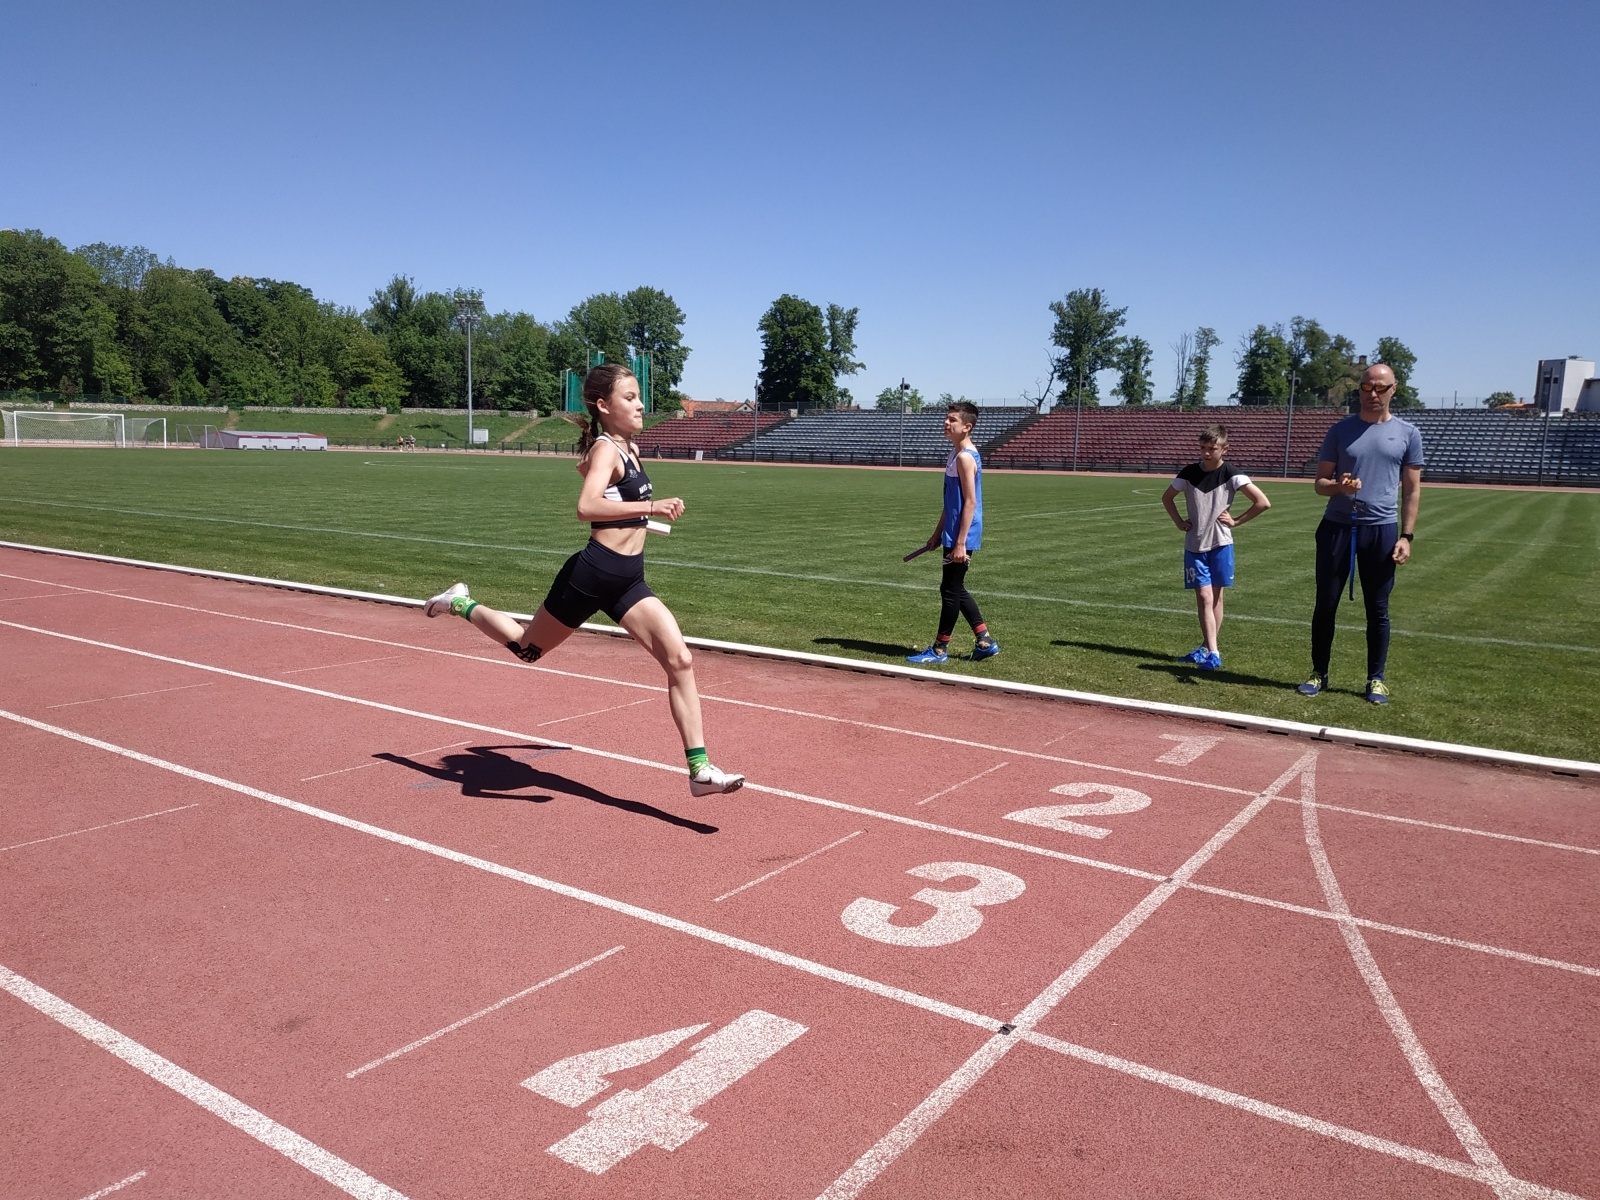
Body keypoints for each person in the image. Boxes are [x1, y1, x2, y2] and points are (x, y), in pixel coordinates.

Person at [421, 363, 744, 797]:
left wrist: (640, 519)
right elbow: (586, 506)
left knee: (680, 661)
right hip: (592, 574)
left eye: (638, 396)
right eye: (630, 397)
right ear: (603, 405)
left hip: (628, 580)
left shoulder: (624, 448)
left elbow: (609, 495)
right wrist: (651, 508)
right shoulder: (609, 449)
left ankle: (700, 771)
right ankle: (459, 603)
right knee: (527, 648)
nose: (640, 404)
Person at [1298, 363, 1424, 705]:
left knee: (1378, 609)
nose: (1373, 394)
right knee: (1325, 604)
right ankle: (1318, 672)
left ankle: (1376, 679)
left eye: (1380, 388)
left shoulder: (1408, 434)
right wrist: (1339, 485)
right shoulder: (1340, 431)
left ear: (1393, 389)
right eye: (1367, 388)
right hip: (1337, 528)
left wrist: (1406, 536)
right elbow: (1320, 484)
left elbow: (1411, 491)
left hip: (1381, 531)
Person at [1160, 423, 1271, 671]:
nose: (1206, 453)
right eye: (1203, 448)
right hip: (1195, 544)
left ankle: (1207, 648)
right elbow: (1167, 498)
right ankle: (1213, 651)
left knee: (1216, 598)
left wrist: (1236, 521)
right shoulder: (1188, 472)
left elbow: (1263, 502)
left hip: (1221, 543)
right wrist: (1179, 521)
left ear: (1225, 449)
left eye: (1212, 448)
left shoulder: (1232, 473)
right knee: (1203, 596)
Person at [907, 401, 1000, 664]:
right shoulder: (955, 454)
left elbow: (970, 502)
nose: (946, 423)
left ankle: (939, 650)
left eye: (952, 420)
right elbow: (951, 502)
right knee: (954, 588)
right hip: (954, 531)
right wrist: (937, 534)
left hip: (963, 533)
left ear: (967, 427)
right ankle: (984, 641)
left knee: (950, 590)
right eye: (946, 419)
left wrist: (960, 542)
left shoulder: (965, 457)